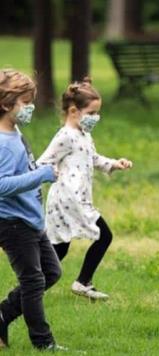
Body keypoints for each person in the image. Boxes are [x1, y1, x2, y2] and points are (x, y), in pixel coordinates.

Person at [37, 78, 132, 300]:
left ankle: (31, 286)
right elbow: (42, 163)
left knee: (59, 249)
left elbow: (92, 157)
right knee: (104, 235)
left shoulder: (83, 134)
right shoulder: (65, 137)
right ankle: (81, 282)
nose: (95, 118)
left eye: (97, 113)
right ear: (73, 111)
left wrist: (113, 164)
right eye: (91, 113)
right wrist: (52, 175)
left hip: (78, 200)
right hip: (68, 201)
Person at [0, 69, 64, 350]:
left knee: (52, 273)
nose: (31, 108)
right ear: (6, 104)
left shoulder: (15, 133)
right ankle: (43, 342)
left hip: (30, 218)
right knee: (33, 281)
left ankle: (3, 313)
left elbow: (23, 171)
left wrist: (40, 170)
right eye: (25, 103)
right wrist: (42, 175)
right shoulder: (2, 144)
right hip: (12, 223)